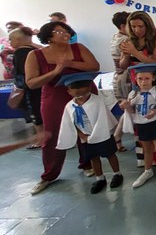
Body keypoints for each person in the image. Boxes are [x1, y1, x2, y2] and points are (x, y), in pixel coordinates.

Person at [24, 21, 100, 195]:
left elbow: (94, 66)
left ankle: (87, 163)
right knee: (53, 134)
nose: (64, 33)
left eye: (66, 30)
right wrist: (56, 71)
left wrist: (69, 63)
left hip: (83, 92)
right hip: (55, 95)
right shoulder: (35, 55)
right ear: (48, 36)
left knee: (86, 129)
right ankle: (48, 175)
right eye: (59, 31)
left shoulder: (78, 48)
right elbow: (32, 82)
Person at [55, 71, 123, 194]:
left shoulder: (97, 101)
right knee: (93, 158)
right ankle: (100, 178)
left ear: (89, 89)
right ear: (69, 91)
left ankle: (117, 174)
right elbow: (70, 123)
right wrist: (82, 136)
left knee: (110, 154)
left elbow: (102, 119)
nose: (81, 96)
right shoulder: (70, 106)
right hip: (85, 138)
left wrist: (95, 135)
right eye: (77, 94)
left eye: (84, 93)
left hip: (103, 135)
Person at [119, 63, 156, 189]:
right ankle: (147, 170)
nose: (143, 82)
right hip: (142, 124)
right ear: (136, 79)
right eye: (140, 79)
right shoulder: (133, 94)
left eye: (147, 78)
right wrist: (127, 106)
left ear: (153, 78)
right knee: (146, 148)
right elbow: (132, 112)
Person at [9, 27, 43, 148]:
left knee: (35, 111)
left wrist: (19, 90)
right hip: (42, 85)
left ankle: (41, 139)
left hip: (30, 88)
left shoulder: (20, 52)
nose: (10, 42)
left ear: (18, 39)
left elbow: (21, 74)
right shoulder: (37, 49)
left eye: (10, 39)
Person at [109, 11, 131, 101]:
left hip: (118, 75)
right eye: (132, 25)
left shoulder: (116, 36)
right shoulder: (126, 40)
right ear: (123, 26)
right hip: (126, 76)